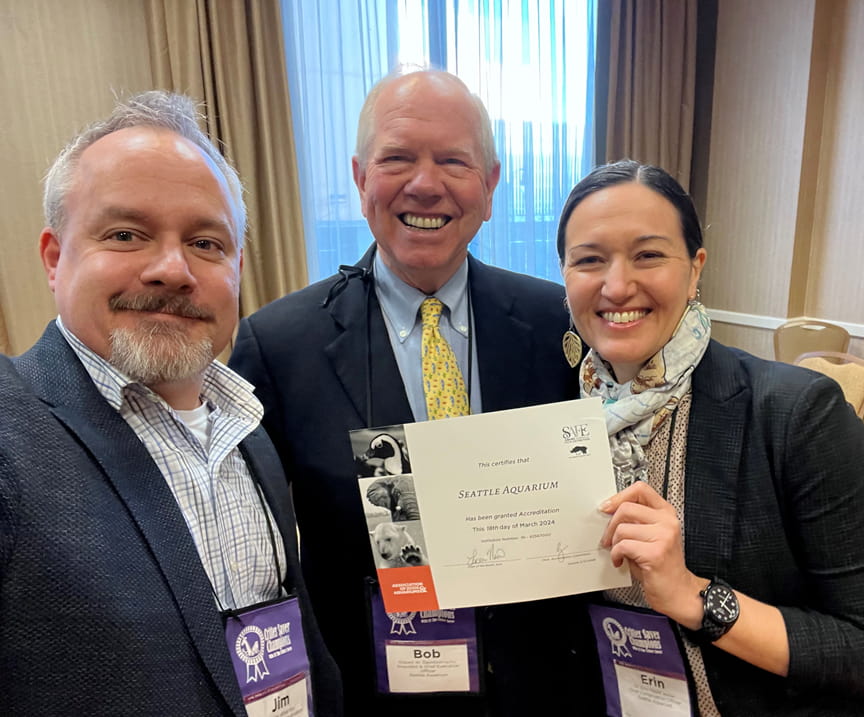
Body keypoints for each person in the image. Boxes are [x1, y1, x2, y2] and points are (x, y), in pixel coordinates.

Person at [229, 69, 592, 715]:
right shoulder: (278, 343)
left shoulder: (557, 324)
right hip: (371, 685)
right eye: (397, 158)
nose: (425, 183)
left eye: (453, 160)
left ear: (489, 185)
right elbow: (250, 545)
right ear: (360, 177)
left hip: (539, 684)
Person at [0, 91, 342, 716]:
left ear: (237, 267)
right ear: (55, 259)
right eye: (126, 234)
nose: (171, 269)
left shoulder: (247, 433)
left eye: (206, 243)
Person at [558, 159, 864, 715]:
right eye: (589, 260)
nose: (616, 284)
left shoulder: (796, 413)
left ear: (695, 268)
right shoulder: (555, 418)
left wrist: (693, 596)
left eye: (648, 254)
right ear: (564, 276)